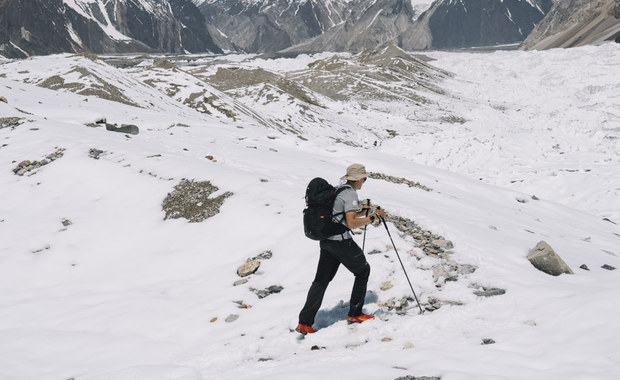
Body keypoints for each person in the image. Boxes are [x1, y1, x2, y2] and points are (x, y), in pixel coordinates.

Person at [296, 164, 386, 335]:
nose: (364, 181)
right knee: (363, 271)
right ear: (358, 178)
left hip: (327, 241)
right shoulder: (350, 193)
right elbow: (351, 223)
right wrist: (373, 217)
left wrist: (364, 211)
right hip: (341, 242)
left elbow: (341, 216)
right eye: (364, 178)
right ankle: (355, 314)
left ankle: (304, 323)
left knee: (320, 281)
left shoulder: (338, 190)